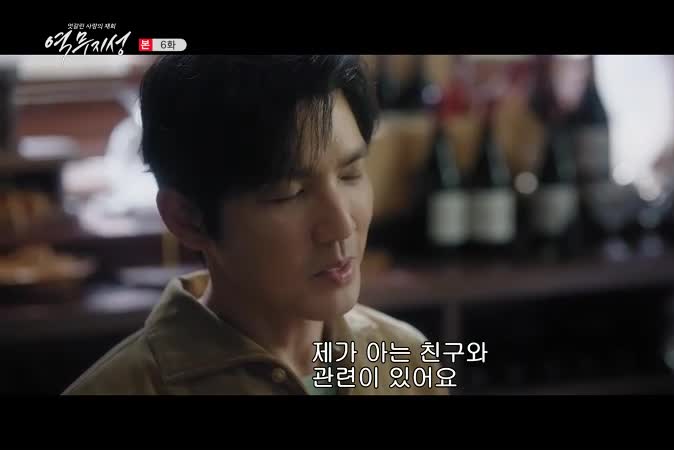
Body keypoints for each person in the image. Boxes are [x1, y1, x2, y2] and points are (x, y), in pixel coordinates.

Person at [63, 55, 449, 395]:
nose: (341, 226)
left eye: (351, 175)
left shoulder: (403, 357)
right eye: (289, 193)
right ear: (187, 218)